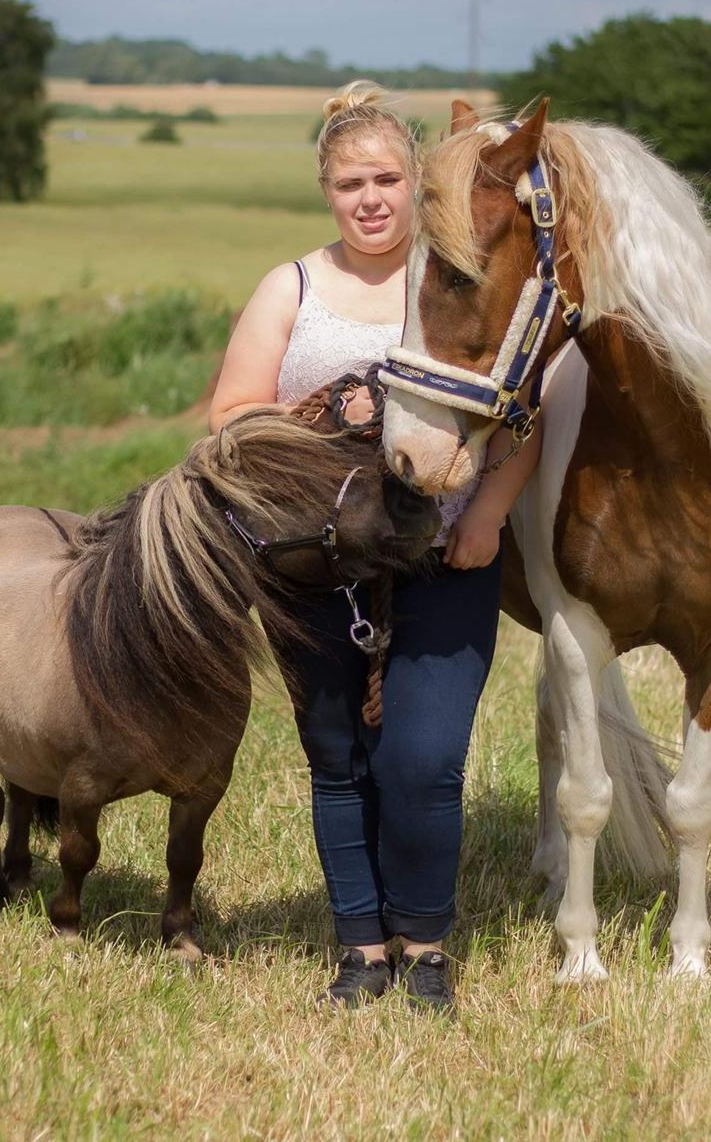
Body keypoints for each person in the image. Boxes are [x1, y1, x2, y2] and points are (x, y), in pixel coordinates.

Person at [209, 82, 540, 1010]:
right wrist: (328, 413)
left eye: (389, 179)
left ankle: (426, 945)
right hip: (317, 564)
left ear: (418, 183)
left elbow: (524, 417)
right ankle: (362, 947)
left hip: (443, 554)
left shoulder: (454, 275)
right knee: (337, 757)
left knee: (424, 760)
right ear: (327, 189)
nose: (372, 199)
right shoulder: (294, 286)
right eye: (352, 182)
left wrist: (488, 515)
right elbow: (230, 414)